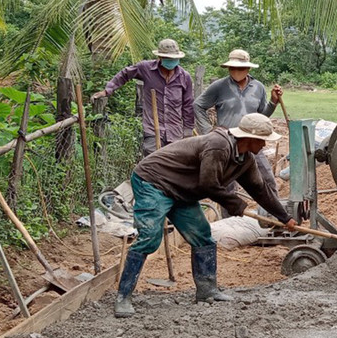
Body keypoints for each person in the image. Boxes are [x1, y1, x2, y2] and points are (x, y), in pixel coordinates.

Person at [114, 113, 297, 318]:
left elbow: (260, 190)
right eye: (262, 140)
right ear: (249, 138)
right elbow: (209, 184)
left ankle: (207, 291)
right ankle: (123, 297)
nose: (264, 145)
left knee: (202, 237)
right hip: (154, 182)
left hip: (181, 190)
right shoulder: (218, 146)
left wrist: (284, 217)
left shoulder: (245, 159)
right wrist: (236, 204)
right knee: (149, 238)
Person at [195, 49, 282, 198]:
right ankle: (230, 214)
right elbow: (198, 105)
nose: (236, 71)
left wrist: (273, 102)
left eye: (240, 68)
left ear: (248, 68)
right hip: (228, 142)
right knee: (227, 188)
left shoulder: (258, 87)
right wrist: (208, 131)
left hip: (252, 141)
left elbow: (261, 117)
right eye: (232, 68)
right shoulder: (219, 86)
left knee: (267, 180)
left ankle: (273, 211)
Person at [92, 39, 194, 156]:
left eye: (173, 59)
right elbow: (125, 74)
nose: (171, 62)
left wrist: (188, 131)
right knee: (153, 161)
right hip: (152, 129)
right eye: (168, 59)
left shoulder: (184, 77)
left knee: (175, 163)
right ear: (160, 58)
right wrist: (107, 90)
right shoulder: (146, 68)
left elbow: (188, 106)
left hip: (174, 132)